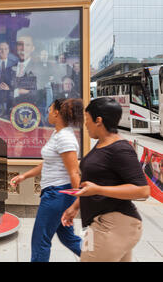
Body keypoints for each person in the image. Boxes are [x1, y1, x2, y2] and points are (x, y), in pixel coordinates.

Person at [61, 97, 150, 262]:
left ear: (98, 120)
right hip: (99, 225)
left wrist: (98, 190)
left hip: (113, 225)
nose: (85, 124)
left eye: (87, 120)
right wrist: (75, 206)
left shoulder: (120, 149)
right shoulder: (102, 143)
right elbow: (97, 180)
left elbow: (143, 191)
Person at [10, 98, 84, 262]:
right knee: (68, 238)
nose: (48, 113)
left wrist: (77, 203)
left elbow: (74, 173)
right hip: (56, 194)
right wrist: (24, 176)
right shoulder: (57, 133)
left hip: (58, 195)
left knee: (40, 240)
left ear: (57, 113)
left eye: (50, 110)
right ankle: (100, 258)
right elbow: (49, 163)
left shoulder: (65, 137)